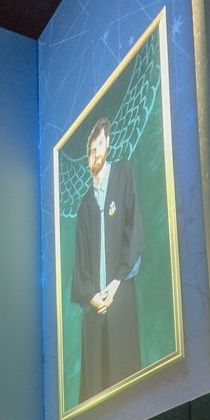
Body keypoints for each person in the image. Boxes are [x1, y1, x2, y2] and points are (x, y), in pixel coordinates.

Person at [71, 117, 145, 404]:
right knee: (96, 393)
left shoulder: (123, 174)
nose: (96, 153)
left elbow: (133, 230)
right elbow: (80, 266)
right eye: (91, 150)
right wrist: (93, 297)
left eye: (100, 144)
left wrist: (115, 284)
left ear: (108, 143)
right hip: (95, 312)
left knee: (127, 389)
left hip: (120, 295)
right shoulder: (84, 207)